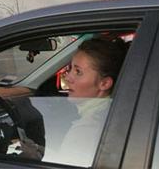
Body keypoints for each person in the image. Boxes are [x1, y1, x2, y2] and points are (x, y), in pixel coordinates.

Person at [19, 37, 128, 166]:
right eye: (70, 69)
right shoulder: (113, 113)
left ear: (104, 83)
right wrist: (40, 152)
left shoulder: (87, 129)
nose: (68, 77)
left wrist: (29, 160)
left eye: (78, 72)